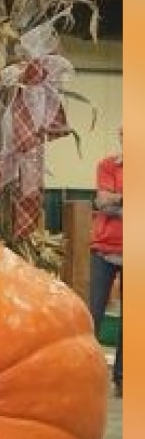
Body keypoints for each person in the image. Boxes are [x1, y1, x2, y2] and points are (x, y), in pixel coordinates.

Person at [89, 126, 123, 396]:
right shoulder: (107, 165)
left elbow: (112, 204)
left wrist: (116, 201)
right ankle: (85, 374)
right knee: (93, 314)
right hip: (104, 250)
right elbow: (103, 203)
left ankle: (122, 379)